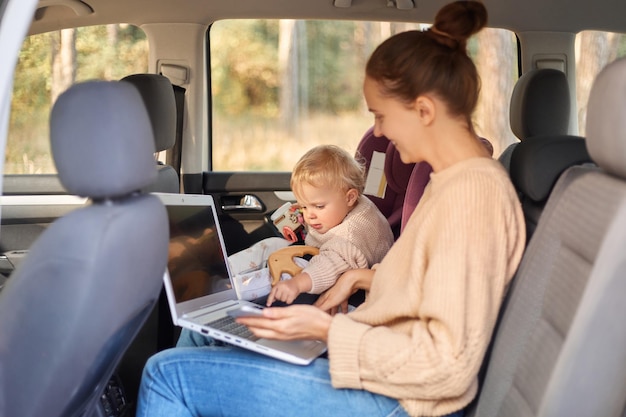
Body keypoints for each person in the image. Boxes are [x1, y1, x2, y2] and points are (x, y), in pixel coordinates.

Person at [136, 2, 526, 416]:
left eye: (381, 115)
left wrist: (328, 330)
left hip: (400, 400)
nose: (378, 132)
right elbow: (429, 286)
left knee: (166, 374)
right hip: (376, 362)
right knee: (202, 333)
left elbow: (446, 367)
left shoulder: (473, 197)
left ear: (424, 110)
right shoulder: (450, 182)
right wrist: (360, 277)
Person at [267, 144, 395, 306]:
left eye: (319, 206)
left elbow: (330, 265)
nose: (309, 215)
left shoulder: (350, 234)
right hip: (329, 258)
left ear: (350, 197)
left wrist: (297, 284)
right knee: (273, 246)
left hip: (357, 290)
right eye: (304, 206)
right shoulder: (342, 206)